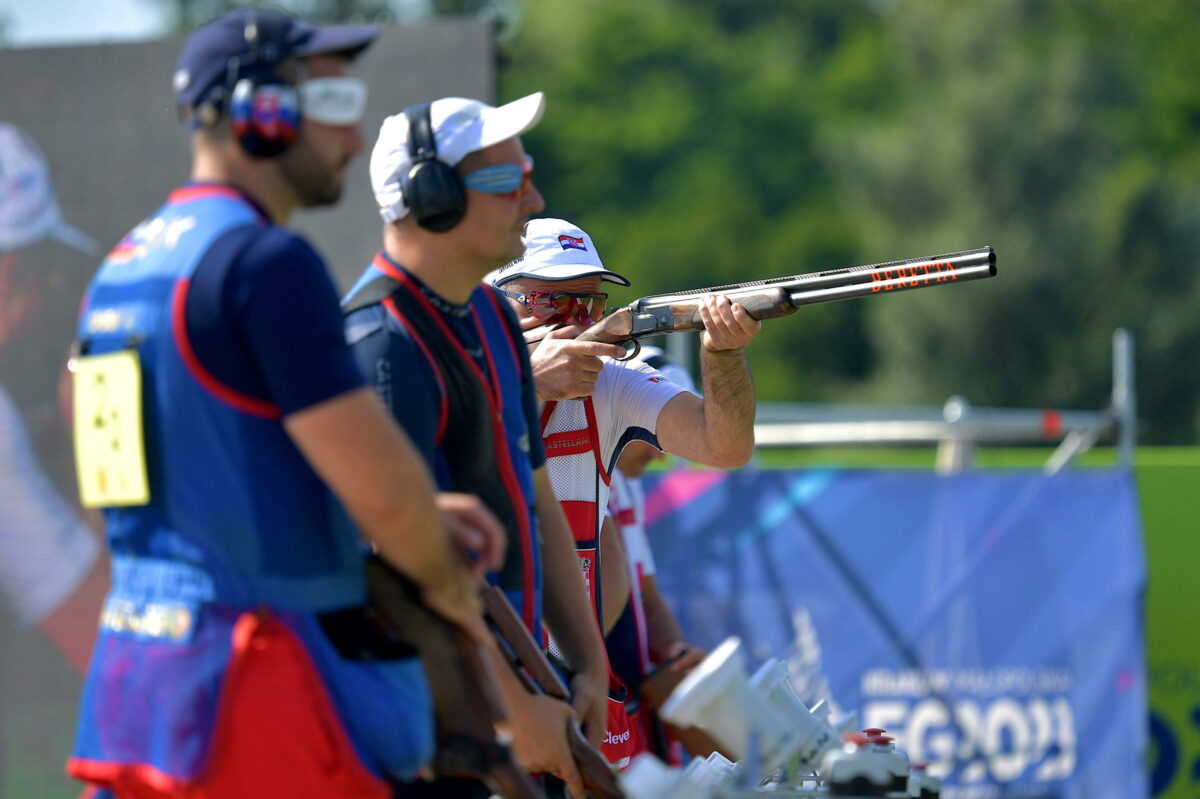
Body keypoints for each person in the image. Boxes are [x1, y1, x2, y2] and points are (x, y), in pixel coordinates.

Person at [66, 10, 500, 799]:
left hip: (140, 693)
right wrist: (448, 577)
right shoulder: (268, 265)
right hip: (263, 700)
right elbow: (387, 503)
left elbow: (127, 491)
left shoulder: (118, 274)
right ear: (261, 113)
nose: (354, 137)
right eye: (332, 106)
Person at [340, 93, 609, 796]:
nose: (534, 195)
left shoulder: (491, 315)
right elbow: (412, 579)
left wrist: (587, 664)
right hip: (431, 734)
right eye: (507, 181)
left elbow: (536, 497)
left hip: (508, 702)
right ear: (430, 196)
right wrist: (517, 711)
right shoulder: (382, 344)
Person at [488, 217, 762, 765]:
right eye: (552, 303)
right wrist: (524, 381)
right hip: (473, 678)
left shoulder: (607, 380)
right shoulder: (462, 376)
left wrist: (722, 353)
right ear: (497, 304)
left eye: (588, 305)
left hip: (570, 679)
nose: (577, 322)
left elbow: (725, 446)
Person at [605, 346, 708, 759]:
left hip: (622, 683)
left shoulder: (627, 484)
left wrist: (676, 653)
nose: (661, 453)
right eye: (652, 435)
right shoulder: (566, 463)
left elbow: (645, 594)